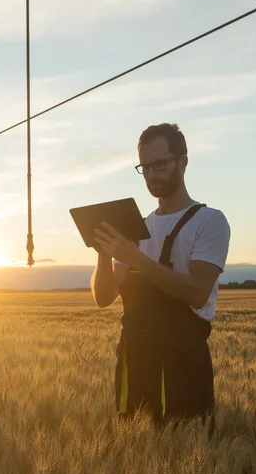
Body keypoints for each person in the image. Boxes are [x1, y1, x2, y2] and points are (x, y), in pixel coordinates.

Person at [90, 123, 231, 434]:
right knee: (134, 452)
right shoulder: (134, 228)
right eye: (145, 167)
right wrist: (103, 251)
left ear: (183, 161)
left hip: (182, 359)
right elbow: (104, 297)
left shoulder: (209, 221)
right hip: (134, 359)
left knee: (187, 452)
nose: (152, 174)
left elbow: (197, 292)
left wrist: (136, 257)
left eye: (161, 164)